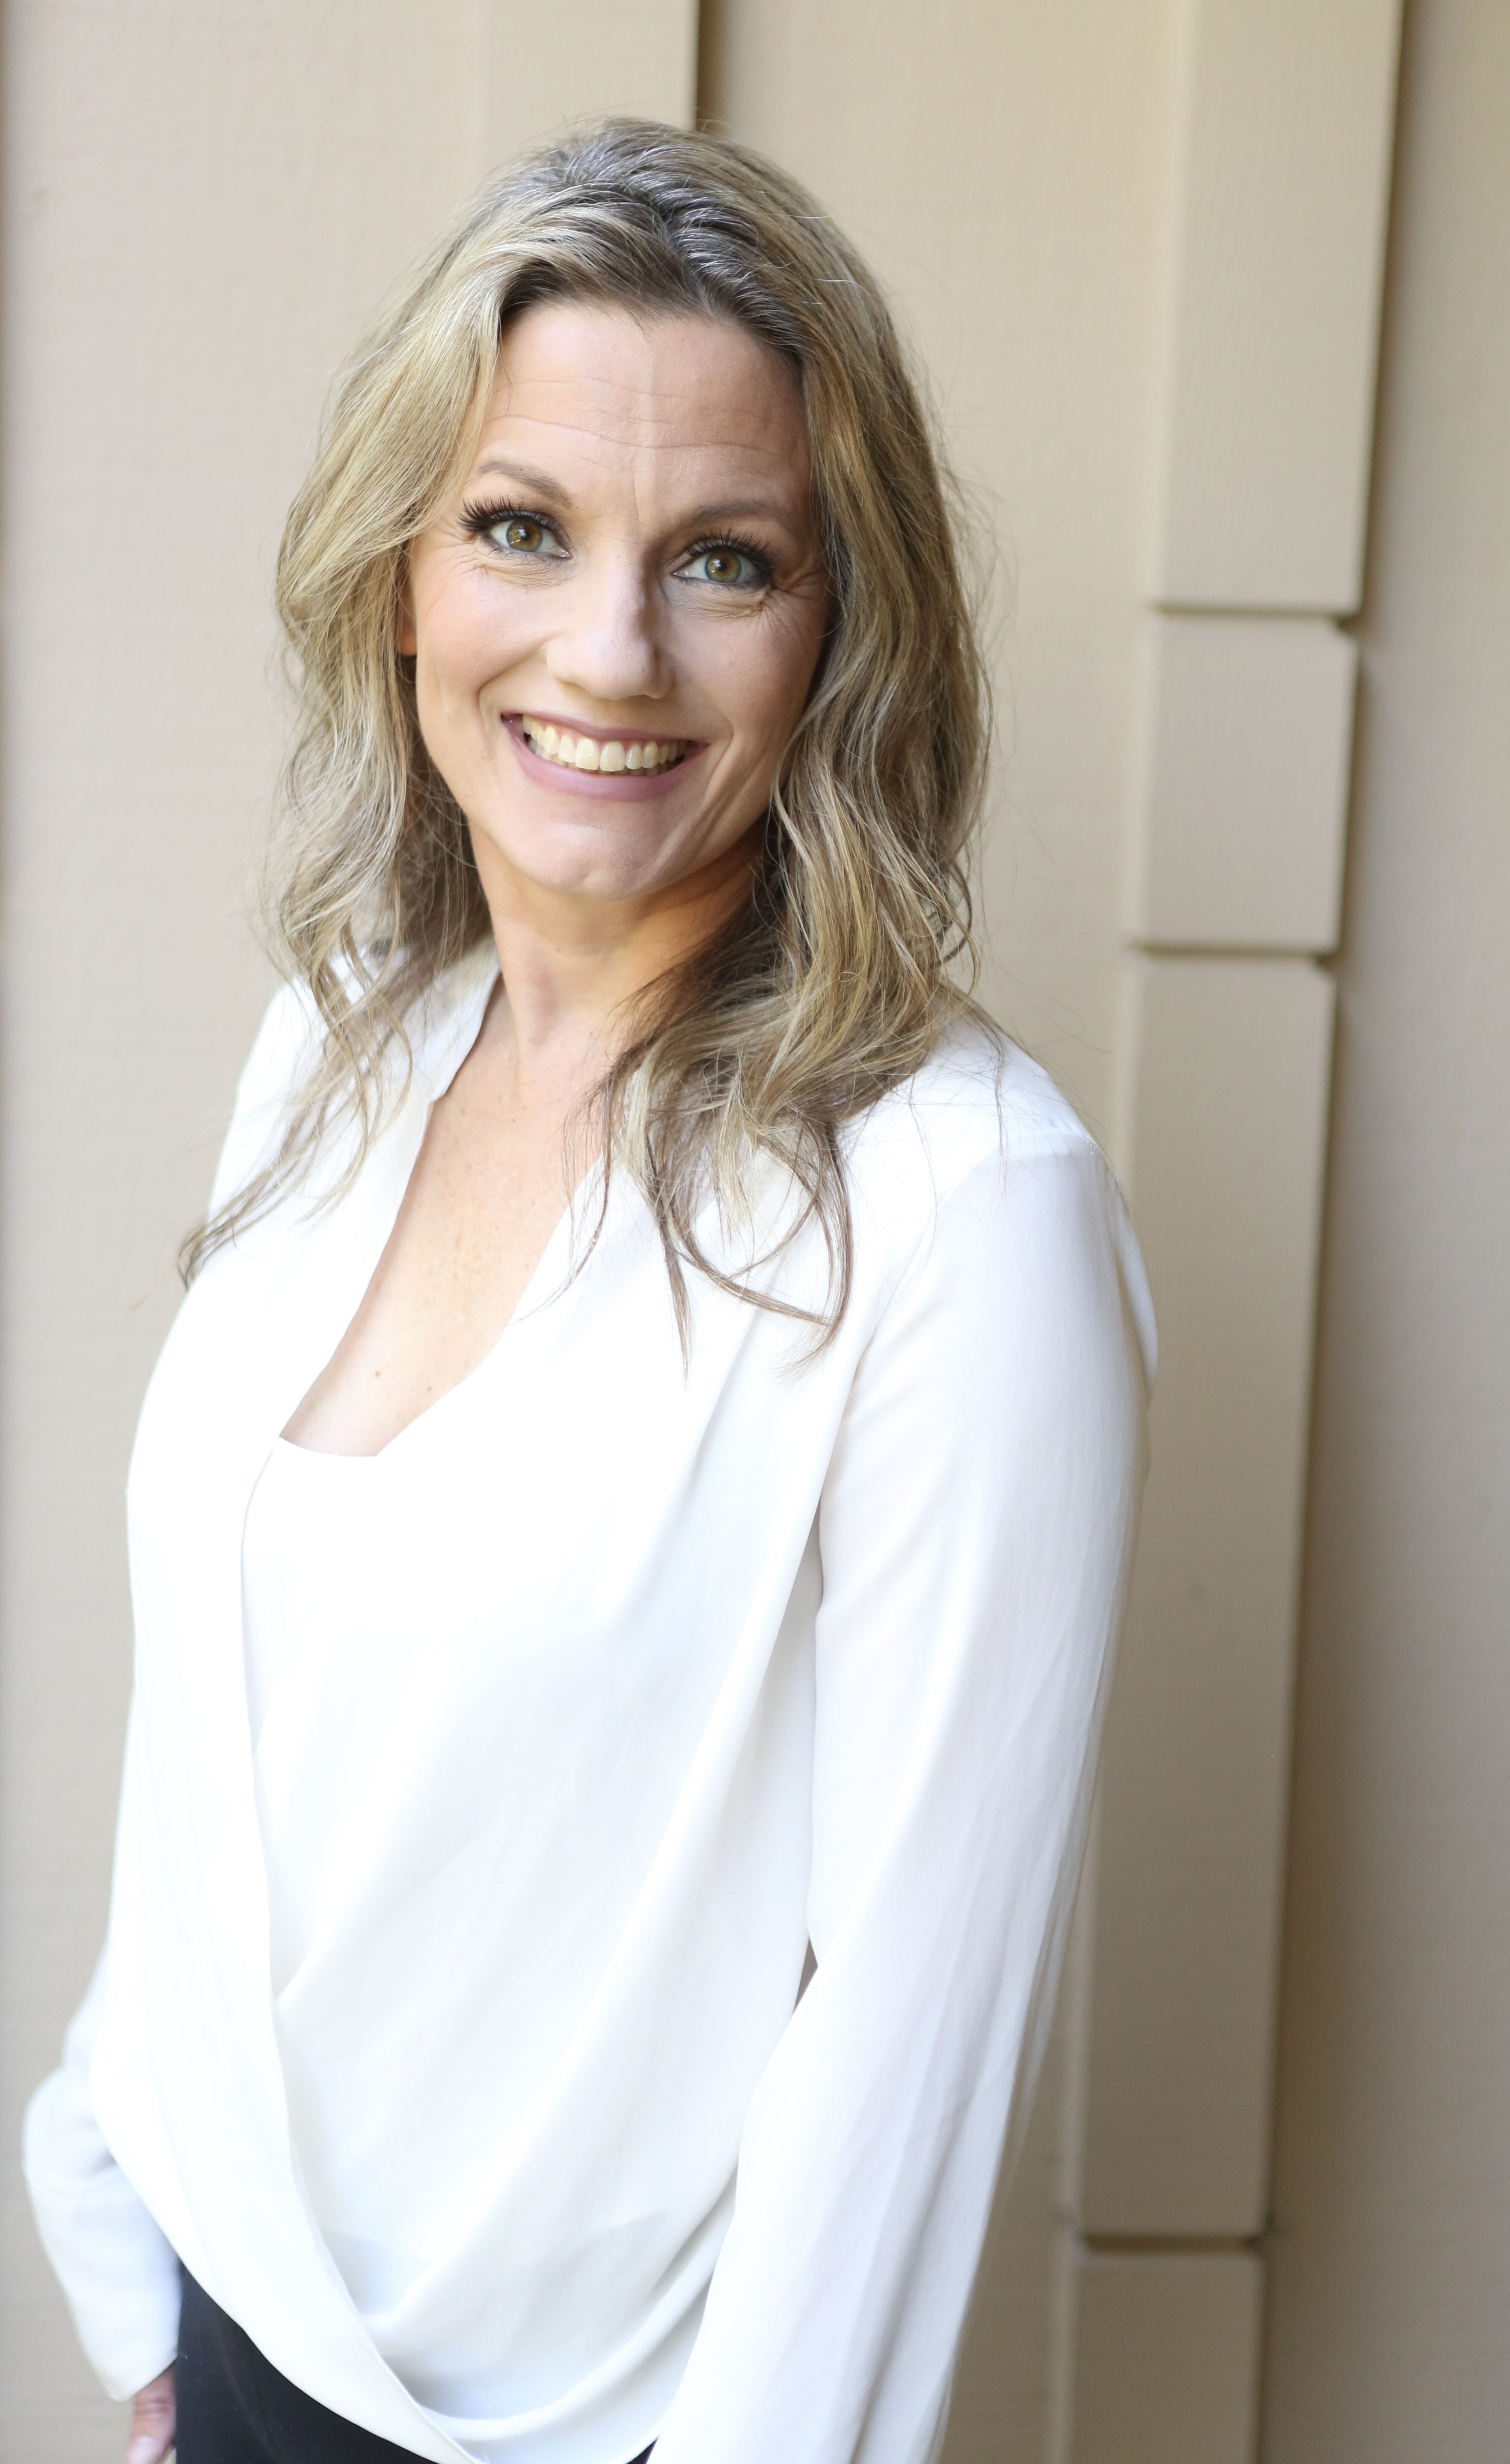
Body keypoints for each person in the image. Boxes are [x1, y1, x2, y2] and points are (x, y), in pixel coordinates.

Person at [23, 118, 1153, 2464]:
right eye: (523, 527)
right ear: (403, 575)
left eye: (724, 559)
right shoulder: (343, 1039)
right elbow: (235, 1728)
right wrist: (136, 2282)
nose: (609, 650)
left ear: (843, 632)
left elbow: (896, 2088)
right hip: (215, 2364)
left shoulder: (961, 1215)